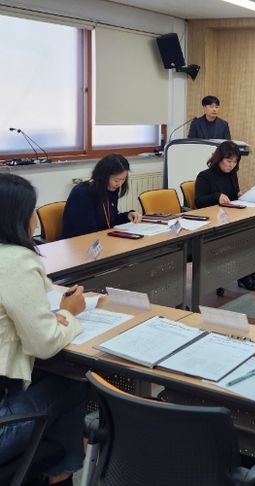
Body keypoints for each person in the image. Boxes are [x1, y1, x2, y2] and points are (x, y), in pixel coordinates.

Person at [0, 173, 87, 486]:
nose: (35, 219)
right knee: (72, 383)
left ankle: (55, 470)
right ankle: (63, 471)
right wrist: (68, 313)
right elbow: (45, 344)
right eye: (32, 212)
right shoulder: (15, 260)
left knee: (46, 378)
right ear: (17, 217)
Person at [194, 141, 255, 291]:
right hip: (214, 223)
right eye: (228, 161)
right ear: (219, 158)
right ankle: (244, 276)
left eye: (235, 162)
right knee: (243, 236)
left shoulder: (232, 174)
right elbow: (199, 201)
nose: (231, 165)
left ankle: (250, 272)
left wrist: (241, 195)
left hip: (230, 218)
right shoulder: (205, 176)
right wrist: (217, 196)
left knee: (252, 231)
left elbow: (233, 197)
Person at [61, 154, 142, 239]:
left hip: (101, 239)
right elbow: (86, 231)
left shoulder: (111, 190)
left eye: (123, 179)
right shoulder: (82, 193)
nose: (119, 184)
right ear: (104, 176)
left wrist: (128, 216)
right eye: (116, 180)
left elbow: (110, 220)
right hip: (79, 242)